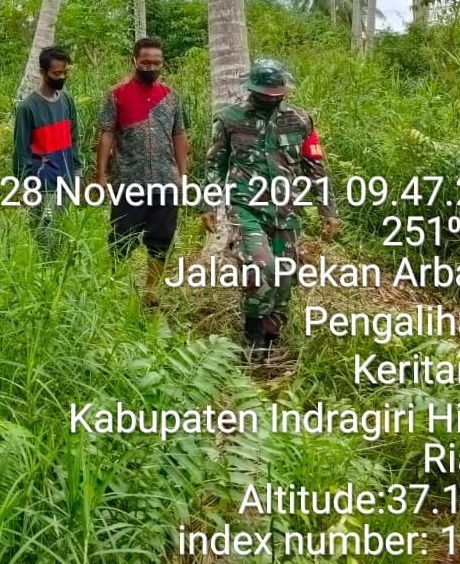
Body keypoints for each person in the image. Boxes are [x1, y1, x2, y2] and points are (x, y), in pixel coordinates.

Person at [201, 59, 340, 367]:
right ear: (253, 89)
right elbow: (215, 164)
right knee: (261, 266)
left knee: (285, 275)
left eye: (278, 92)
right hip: (246, 207)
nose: (273, 97)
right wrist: (209, 204)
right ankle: (254, 336)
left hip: (287, 210)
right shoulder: (229, 119)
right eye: (267, 92)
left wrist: (328, 210)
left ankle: (271, 338)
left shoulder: (301, 120)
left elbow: (316, 168)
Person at [94, 37, 190, 307]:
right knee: (121, 236)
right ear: (134, 60)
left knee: (161, 238)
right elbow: (106, 134)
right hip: (129, 180)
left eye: (156, 63)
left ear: (163, 63)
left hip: (165, 181)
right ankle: (117, 287)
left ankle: (152, 290)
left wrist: (183, 177)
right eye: (145, 62)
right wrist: (101, 175)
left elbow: (179, 135)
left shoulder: (171, 97)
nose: (151, 67)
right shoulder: (116, 95)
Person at [12, 46, 80, 249]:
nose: (61, 77)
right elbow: (21, 151)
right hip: (43, 185)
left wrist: (77, 171)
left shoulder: (67, 101)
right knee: (45, 239)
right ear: (43, 72)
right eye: (56, 73)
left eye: (64, 72)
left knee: (63, 236)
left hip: (66, 182)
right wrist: (25, 185)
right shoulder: (28, 108)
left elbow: (74, 138)